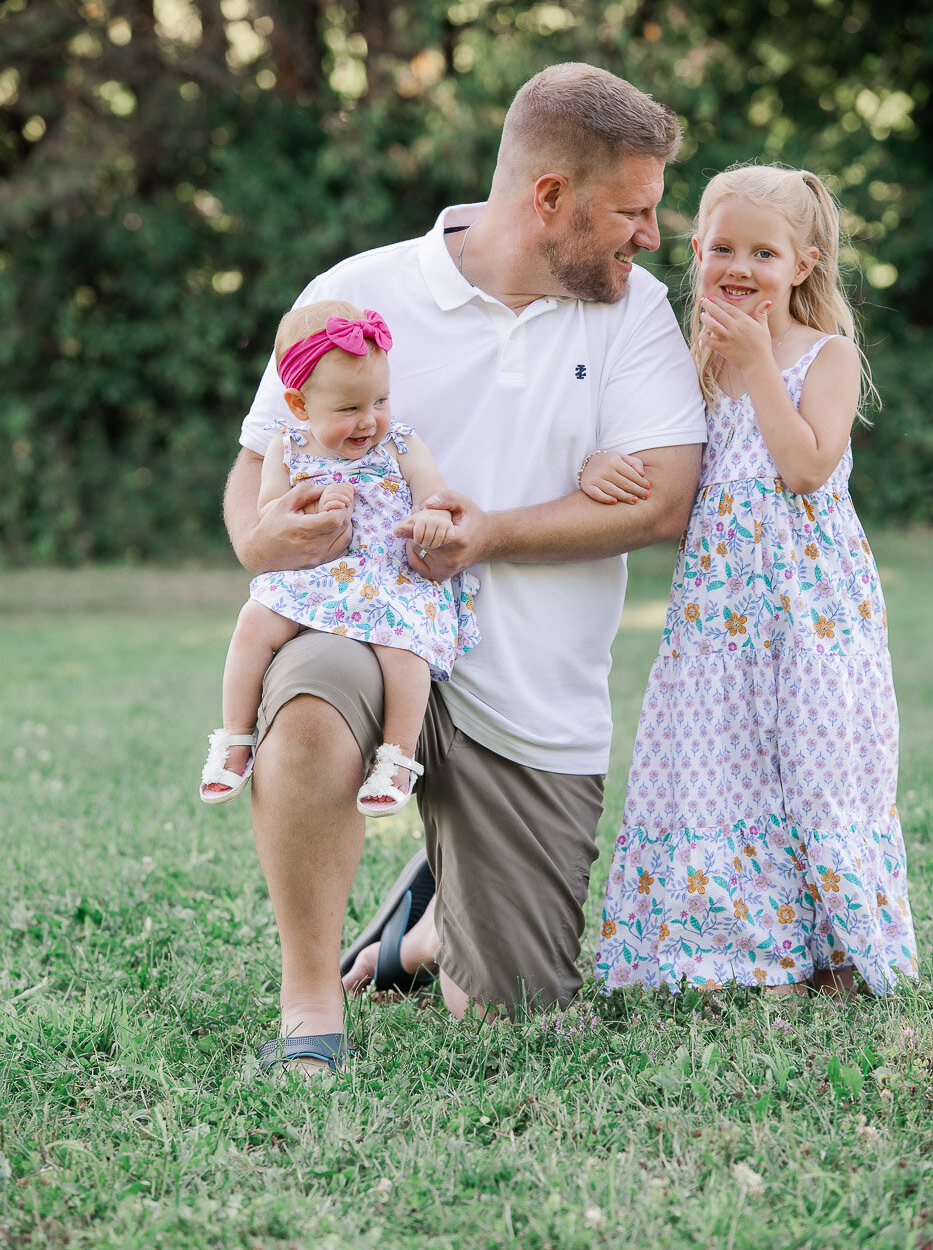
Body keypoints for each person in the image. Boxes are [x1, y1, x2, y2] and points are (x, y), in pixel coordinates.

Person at [226, 62, 708, 1075]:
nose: (651, 236)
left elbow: (665, 497)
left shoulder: (635, 311)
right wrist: (267, 542)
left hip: (531, 693)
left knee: (513, 1013)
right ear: (548, 198)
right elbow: (251, 486)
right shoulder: (355, 294)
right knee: (310, 689)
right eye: (633, 211)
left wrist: (487, 532)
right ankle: (312, 1002)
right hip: (367, 629)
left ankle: (424, 916)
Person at [593, 163, 918, 998]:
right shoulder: (693, 361)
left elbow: (808, 467)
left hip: (811, 604)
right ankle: (744, 950)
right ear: (696, 250)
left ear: (801, 265)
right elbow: (663, 461)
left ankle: (836, 949)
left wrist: (758, 364)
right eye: (723, 248)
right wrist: (602, 460)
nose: (740, 268)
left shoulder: (826, 354)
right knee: (726, 763)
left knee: (816, 761)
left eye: (764, 253)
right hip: (720, 611)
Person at [199, 299, 479, 815]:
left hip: (389, 574)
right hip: (317, 571)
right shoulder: (287, 446)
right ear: (301, 406)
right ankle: (236, 739)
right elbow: (269, 512)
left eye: (380, 400)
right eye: (349, 409)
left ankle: (397, 755)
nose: (368, 421)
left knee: (403, 647)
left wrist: (432, 521)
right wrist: (308, 504)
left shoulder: (400, 444)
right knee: (253, 623)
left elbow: (434, 497)